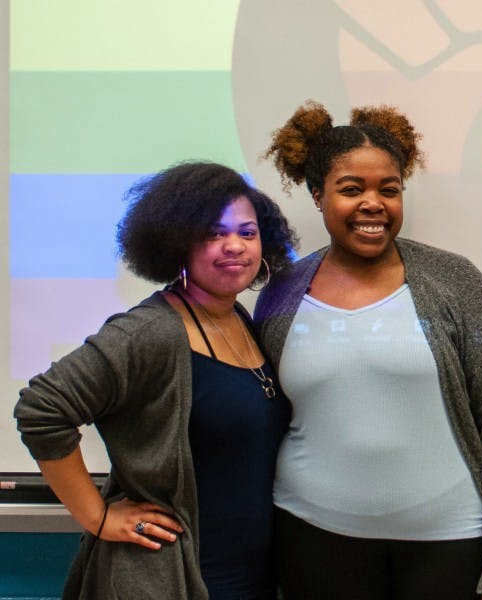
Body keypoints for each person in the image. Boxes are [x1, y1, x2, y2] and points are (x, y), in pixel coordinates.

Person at [256, 101, 482, 600]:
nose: (373, 203)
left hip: (448, 540)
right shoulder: (281, 294)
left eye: (389, 189)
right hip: (312, 536)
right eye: (351, 189)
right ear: (317, 195)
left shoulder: (456, 282)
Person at [14, 162, 297, 599]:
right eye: (212, 233)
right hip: (177, 579)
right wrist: (99, 518)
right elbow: (41, 409)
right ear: (176, 243)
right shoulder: (151, 331)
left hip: (252, 575)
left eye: (246, 232)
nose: (234, 246)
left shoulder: (240, 318)